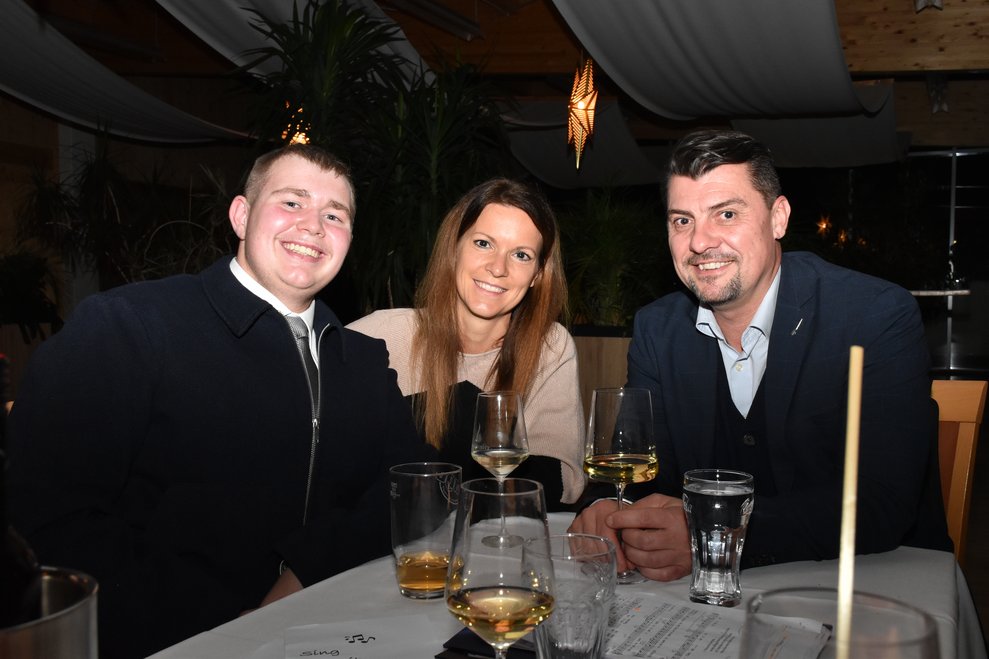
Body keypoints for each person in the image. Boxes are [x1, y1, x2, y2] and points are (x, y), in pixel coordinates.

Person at [5, 144, 432, 657]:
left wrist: (304, 572)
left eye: (334, 215)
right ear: (241, 215)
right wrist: (220, 623)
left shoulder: (362, 360)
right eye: (292, 202)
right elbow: (47, 518)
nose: (314, 226)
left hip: (325, 632)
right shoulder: (130, 327)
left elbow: (416, 484)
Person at [570, 130, 951, 580]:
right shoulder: (658, 329)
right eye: (682, 221)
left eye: (726, 214)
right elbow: (639, 469)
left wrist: (717, 534)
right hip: (707, 598)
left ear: (778, 218)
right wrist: (605, 507)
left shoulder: (874, 316)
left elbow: (882, 502)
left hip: (871, 582)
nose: (699, 242)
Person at [348, 178, 585, 509]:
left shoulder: (550, 347)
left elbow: (561, 482)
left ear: (537, 274)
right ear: (454, 247)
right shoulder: (379, 336)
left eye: (521, 255)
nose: (498, 268)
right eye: (483, 243)